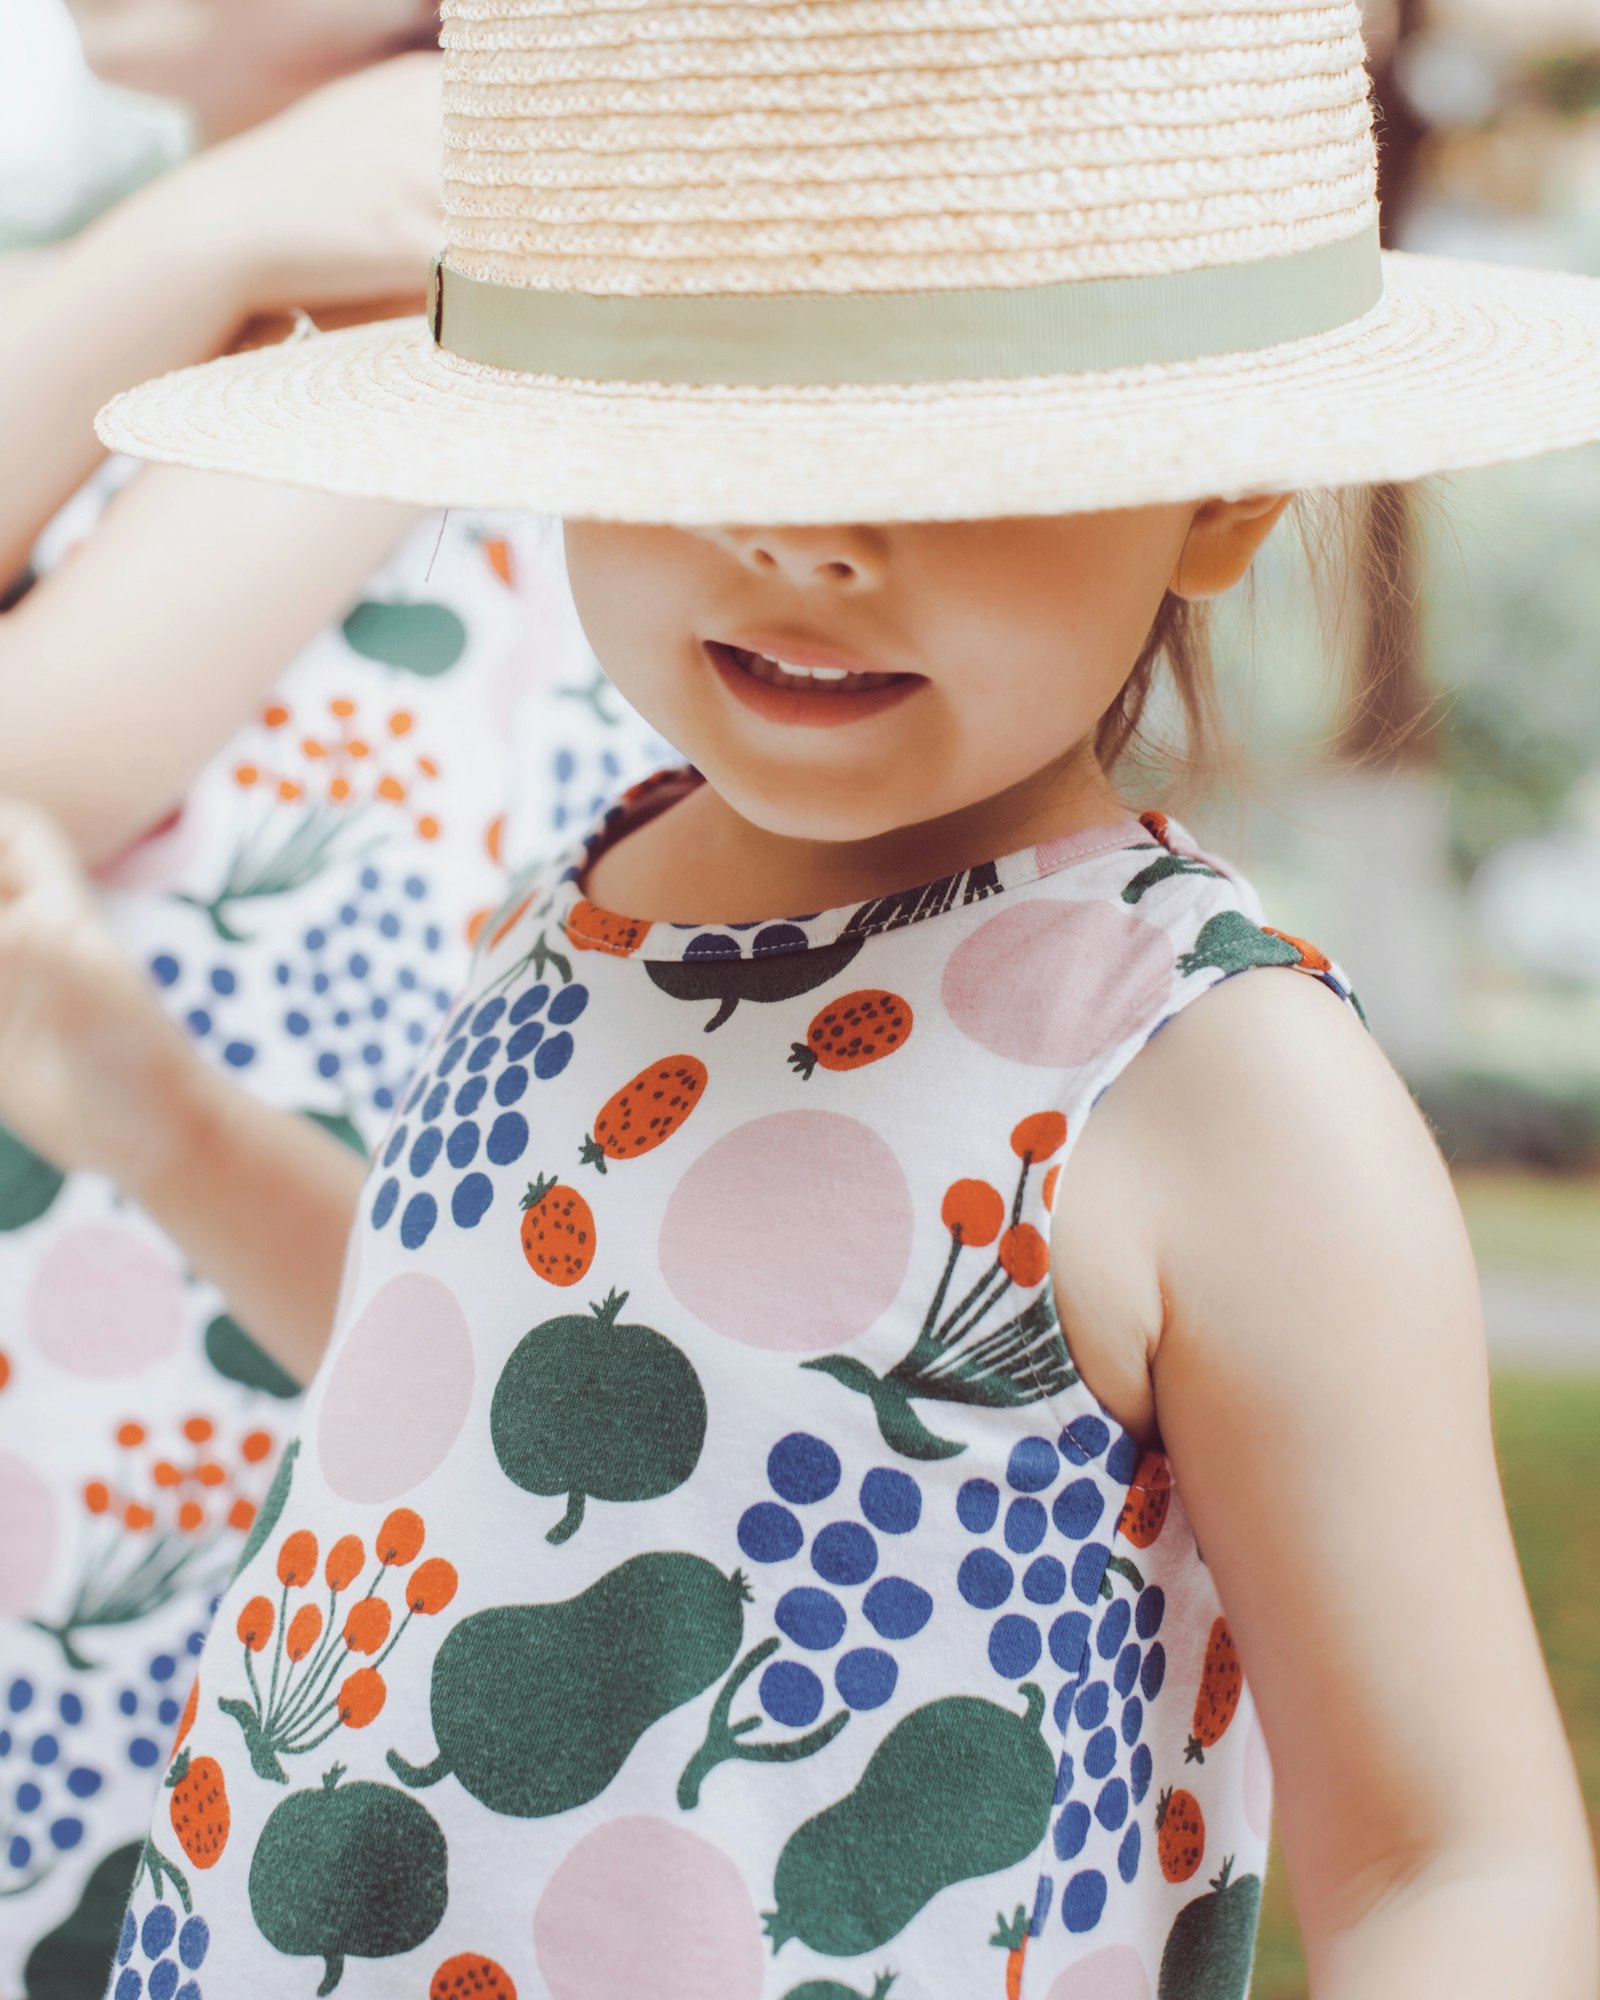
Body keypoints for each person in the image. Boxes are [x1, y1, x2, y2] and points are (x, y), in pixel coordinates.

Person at [11, 0, 1600, 1993]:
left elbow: (1447, 1859)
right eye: (694, 409)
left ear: (1220, 482)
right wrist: (147, 1110)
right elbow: (487, 1390)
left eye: (935, 438)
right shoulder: (571, 902)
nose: (793, 532)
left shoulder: (1203, 1075)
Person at [0, 46, 664, 2000]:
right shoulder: (250, 281)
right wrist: (195, 235)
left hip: (177, 1447)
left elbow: (41, 755)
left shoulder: (418, 294)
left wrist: (189, 237)